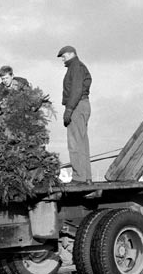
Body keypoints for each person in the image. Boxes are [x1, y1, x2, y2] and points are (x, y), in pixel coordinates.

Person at [57, 45, 92, 184]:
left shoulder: (76, 67)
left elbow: (76, 90)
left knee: (75, 143)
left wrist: (69, 109)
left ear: (71, 54)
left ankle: (78, 177)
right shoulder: (78, 66)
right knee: (82, 143)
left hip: (77, 105)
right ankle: (86, 177)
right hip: (82, 104)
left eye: (64, 56)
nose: (63, 60)